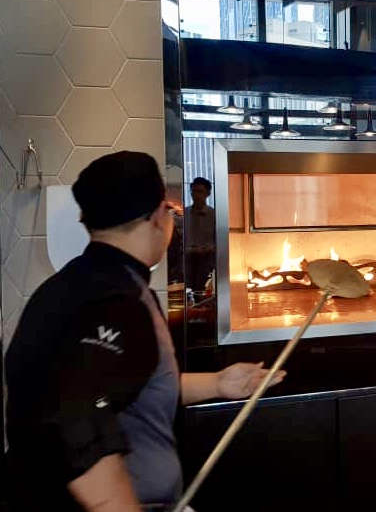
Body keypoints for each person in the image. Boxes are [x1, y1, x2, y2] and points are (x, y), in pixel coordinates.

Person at [5, 151, 285, 511]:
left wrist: (217, 383)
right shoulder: (118, 303)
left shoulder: (65, 287)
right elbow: (75, 421)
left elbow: (124, 384)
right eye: (167, 209)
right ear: (155, 218)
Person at [184, 177, 216, 292]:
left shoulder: (214, 215)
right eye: (193, 191)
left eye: (200, 191)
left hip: (207, 260)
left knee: (202, 291)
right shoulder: (184, 214)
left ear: (208, 194)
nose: (196, 195)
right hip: (187, 260)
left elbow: (219, 240)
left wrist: (209, 248)